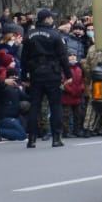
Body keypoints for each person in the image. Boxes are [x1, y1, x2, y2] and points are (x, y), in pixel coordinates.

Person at [22, 8, 68, 148]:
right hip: (52, 74)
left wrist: (24, 76)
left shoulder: (29, 35)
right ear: (46, 19)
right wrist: (68, 75)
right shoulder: (55, 35)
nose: (52, 20)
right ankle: (56, 138)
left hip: (35, 74)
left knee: (34, 107)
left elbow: (24, 58)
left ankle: (31, 139)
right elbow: (63, 57)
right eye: (51, 18)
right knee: (55, 106)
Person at [61, 52, 86, 138]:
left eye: (74, 56)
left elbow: (82, 81)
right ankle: (66, 132)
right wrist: (71, 90)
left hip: (77, 96)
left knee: (77, 115)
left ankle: (77, 130)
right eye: (70, 56)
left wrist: (81, 88)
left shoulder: (79, 69)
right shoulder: (64, 69)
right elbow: (64, 82)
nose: (72, 58)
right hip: (67, 96)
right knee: (66, 115)